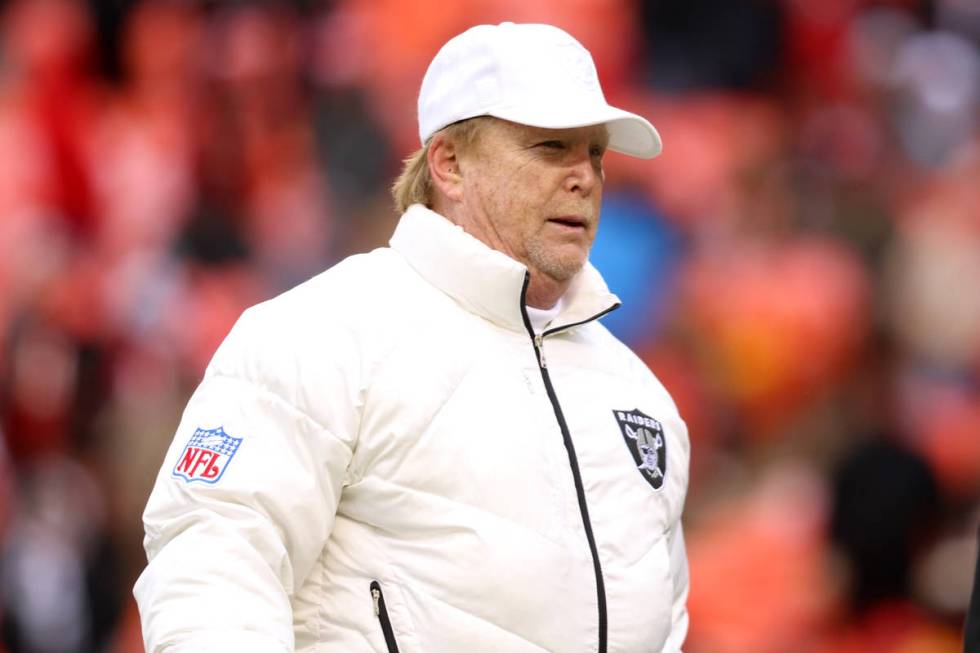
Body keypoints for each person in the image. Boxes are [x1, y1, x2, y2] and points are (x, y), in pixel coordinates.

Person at [134, 22, 690, 653]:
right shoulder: (319, 336)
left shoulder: (641, 398)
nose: (584, 177)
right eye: (550, 148)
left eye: (594, 153)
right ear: (449, 165)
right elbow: (211, 564)